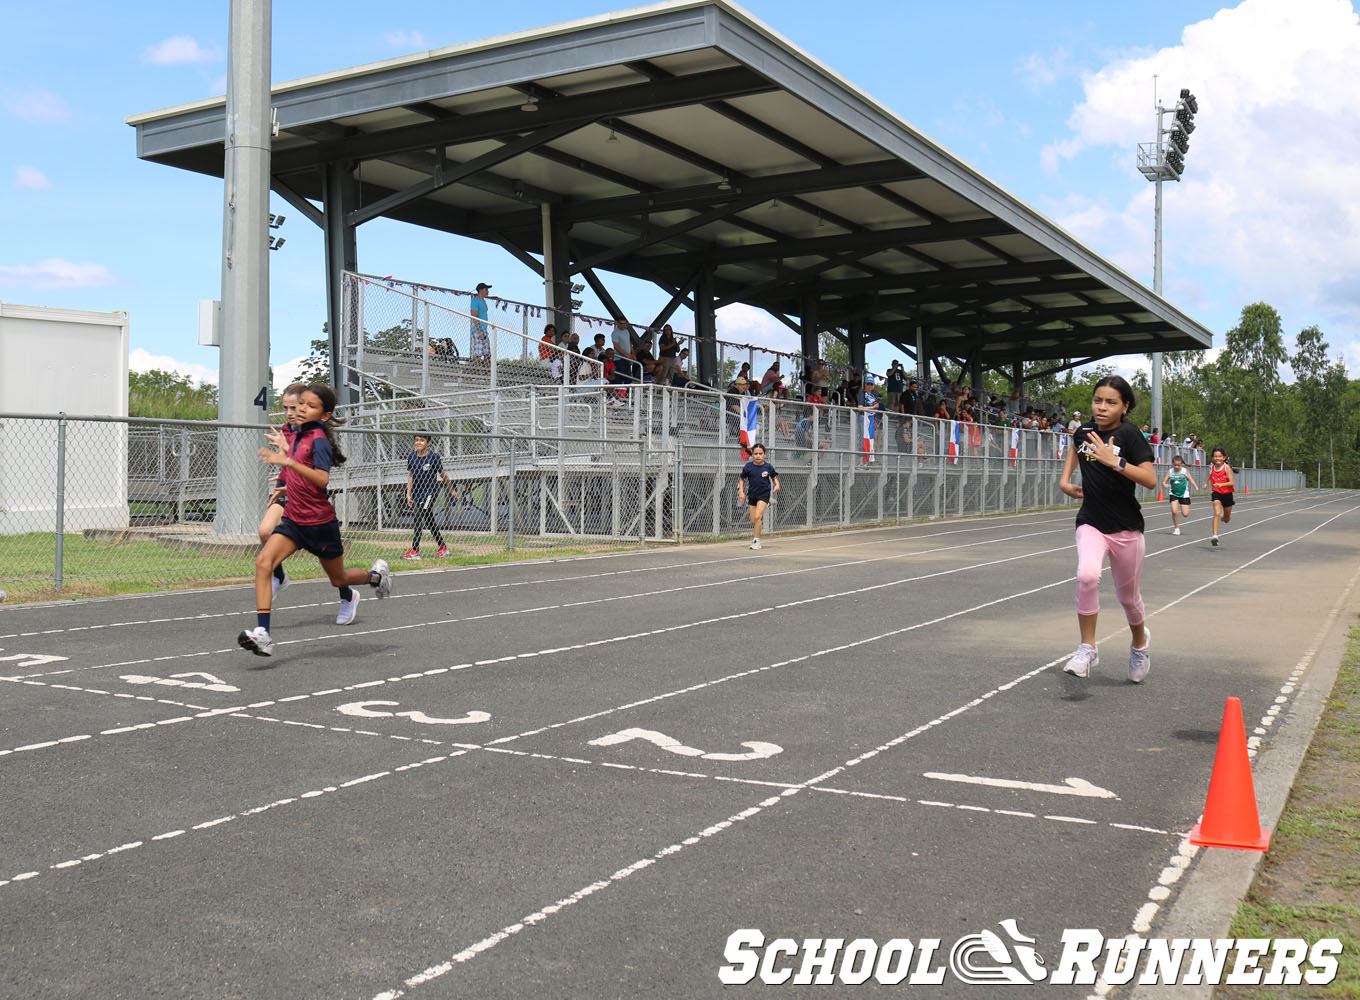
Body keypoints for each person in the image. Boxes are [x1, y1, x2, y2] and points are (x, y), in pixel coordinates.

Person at [239, 384, 392, 656]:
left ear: (323, 416)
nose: (300, 409)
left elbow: (322, 479)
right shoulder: (298, 434)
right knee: (263, 562)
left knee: (339, 579)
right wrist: (289, 483)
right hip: (295, 521)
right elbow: (300, 472)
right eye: (300, 404)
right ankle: (263, 634)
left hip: (319, 525)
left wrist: (288, 463)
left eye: (309, 406)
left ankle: (376, 577)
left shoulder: (319, 440)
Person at [1057, 375, 1157, 683]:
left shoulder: (1131, 436)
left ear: (1125, 407)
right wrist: (1064, 480)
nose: (1102, 407)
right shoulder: (1084, 431)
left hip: (1127, 528)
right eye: (1097, 400)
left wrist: (1115, 462)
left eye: (1111, 402)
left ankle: (1140, 644)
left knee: (1129, 598)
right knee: (1087, 575)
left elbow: (1151, 480)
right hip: (1092, 522)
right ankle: (1088, 647)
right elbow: (1076, 447)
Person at [257, 382, 307, 598]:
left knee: (332, 564)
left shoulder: (315, 432)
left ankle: (347, 594)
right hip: (284, 490)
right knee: (265, 532)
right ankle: (279, 576)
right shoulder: (285, 430)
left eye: (293, 408)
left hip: (306, 496)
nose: (288, 413)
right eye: (285, 408)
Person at [403, 432, 459, 560]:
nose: (418, 442)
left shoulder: (433, 457)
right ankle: (443, 547)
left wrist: (451, 490)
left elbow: (443, 474)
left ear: (428, 443)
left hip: (430, 493)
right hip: (417, 493)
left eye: (422, 440)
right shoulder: (412, 456)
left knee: (418, 516)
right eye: (416, 440)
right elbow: (411, 475)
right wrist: (408, 494)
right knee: (429, 520)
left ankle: (415, 551)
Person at [737, 443, 779, 551]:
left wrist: (777, 485)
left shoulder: (768, 467)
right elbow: (741, 479)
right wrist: (741, 492)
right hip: (752, 495)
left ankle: (756, 541)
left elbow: (774, 477)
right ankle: (768, 503)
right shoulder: (748, 467)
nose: (758, 456)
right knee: (753, 521)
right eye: (756, 454)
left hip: (763, 494)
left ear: (764, 454)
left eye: (760, 453)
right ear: (752, 454)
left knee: (758, 517)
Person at [1161, 453, 1199, 537]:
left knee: (1185, 514)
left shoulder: (1185, 471)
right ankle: (1176, 528)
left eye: (1178, 465)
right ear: (1172, 464)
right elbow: (1164, 482)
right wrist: (1165, 485)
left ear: (1181, 464)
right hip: (1173, 493)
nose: (1176, 467)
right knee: (1174, 511)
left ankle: (1184, 507)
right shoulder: (1170, 471)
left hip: (1184, 494)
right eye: (1175, 465)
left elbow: (1191, 479)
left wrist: (1195, 486)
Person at [1206, 447, 1236, 546]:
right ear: (1213, 458)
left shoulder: (1227, 468)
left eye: (1219, 456)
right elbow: (1210, 476)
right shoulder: (1212, 467)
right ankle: (1215, 536)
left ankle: (1226, 517)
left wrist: (1221, 484)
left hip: (1227, 494)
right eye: (1215, 456)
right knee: (1217, 513)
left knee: (1227, 519)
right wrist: (1206, 483)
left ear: (1224, 458)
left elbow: (1232, 483)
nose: (1217, 458)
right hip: (1216, 493)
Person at [470, 282, 492, 363]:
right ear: (481, 290)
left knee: (487, 353)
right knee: (478, 353)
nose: (487, 291)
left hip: (484, 330)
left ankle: (486, 373)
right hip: (478, 330)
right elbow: (474, 316)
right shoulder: (475, 301)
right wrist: (479, 331)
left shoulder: (483, 301)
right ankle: (476, 372)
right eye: (486, 289)